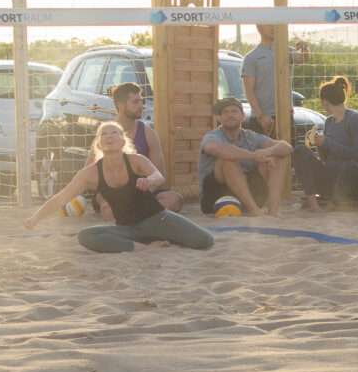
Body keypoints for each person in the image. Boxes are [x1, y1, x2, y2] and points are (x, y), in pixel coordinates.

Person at [32, 120, 214, 252]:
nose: (109, 136)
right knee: (86, 236)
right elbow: (61, 197)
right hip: (127, 230)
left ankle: (159, 238)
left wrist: (148, 181)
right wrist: (35, 219)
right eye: (104, 133)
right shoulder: (91, 173)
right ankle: (145, 249)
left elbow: (158, 176)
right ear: (98, 143)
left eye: (115, 133)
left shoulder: (136, 161)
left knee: (205, 241)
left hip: (158, 219)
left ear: (122, 140)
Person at [198, 95, 292, 214]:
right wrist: (253, 155)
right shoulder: (212, 136)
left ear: (242, 116)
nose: (230, 115)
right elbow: (215, 148)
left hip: (248, 195)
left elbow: (286, 147)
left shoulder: (250, 136)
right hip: (216, 198)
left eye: (234, 111)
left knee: (277, 157)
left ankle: (273, 211)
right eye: (225, 112)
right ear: (219, 118)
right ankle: (254, 211)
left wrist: (266, 152)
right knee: (227, 161)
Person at [297, 74, 358, 207]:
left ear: (325, 102)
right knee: (300, 150)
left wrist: (327, 143)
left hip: (350, 177)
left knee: (350, 167)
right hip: (330, 175)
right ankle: (312, 200)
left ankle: (335, 201)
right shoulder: (329, 121)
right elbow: (325, 158)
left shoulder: (354, 119)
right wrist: (319, 145)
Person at [108, 80, 177, 207]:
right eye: (135, 102)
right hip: (115, 192)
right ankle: (139, 212)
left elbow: (160, 174)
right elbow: (89, 169)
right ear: (121, 105)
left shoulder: (148, 133)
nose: (141, 106)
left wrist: (144, 190)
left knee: (173, 199)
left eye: (141, 101)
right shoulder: (106, 133)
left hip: (143, 190)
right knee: (106, 205)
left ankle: (137, 209)